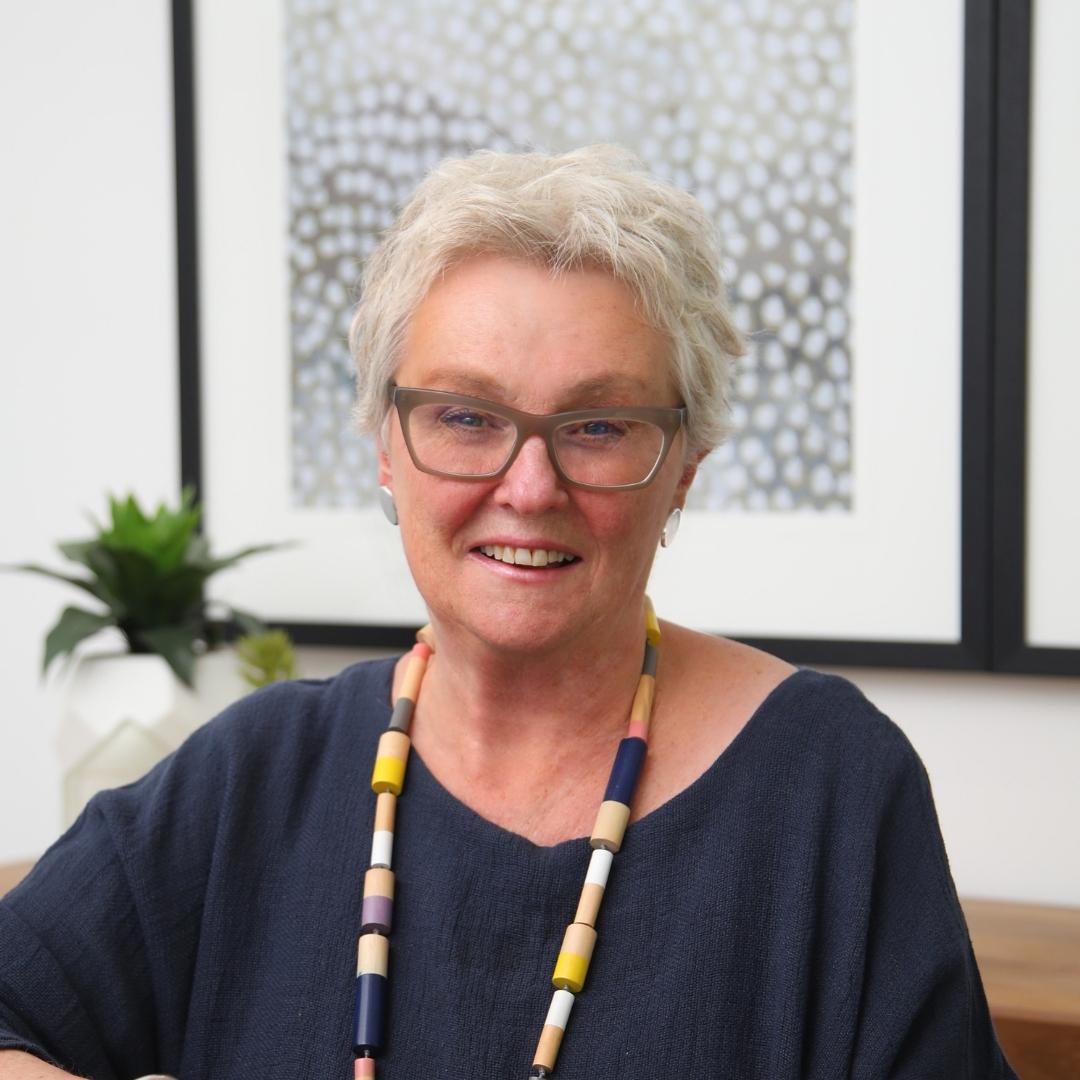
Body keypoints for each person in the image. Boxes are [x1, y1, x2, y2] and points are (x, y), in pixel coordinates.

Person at [0, 146, 1015, 1080]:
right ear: (386, 449)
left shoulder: (831, 788)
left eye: (600, 425)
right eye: (465, 416)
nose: (530, 487)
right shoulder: (254, 780)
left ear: (684, 470)